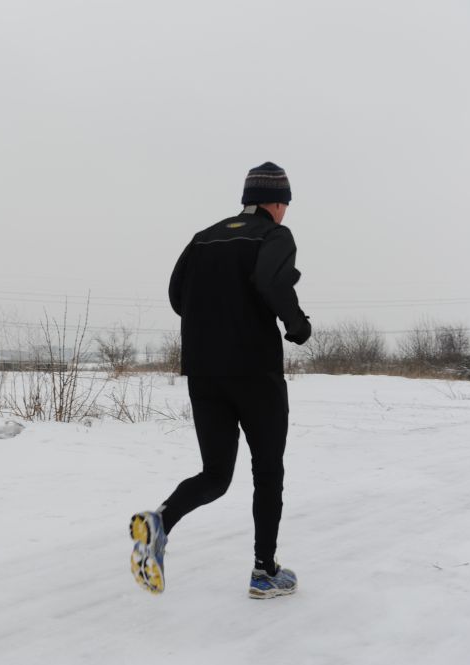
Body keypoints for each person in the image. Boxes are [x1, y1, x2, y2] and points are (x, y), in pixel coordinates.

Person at [129, 162, 311, 599]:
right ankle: (265, 572)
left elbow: (177, 296)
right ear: (278, 202)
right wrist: (297, 324)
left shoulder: (203, 237)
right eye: (285, 203)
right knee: (267, 471)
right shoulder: (274, 236)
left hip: (204, 371)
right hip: (254, 370)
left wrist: (212, 316)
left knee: (215, 474)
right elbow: (270, 280)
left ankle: (159, 522)